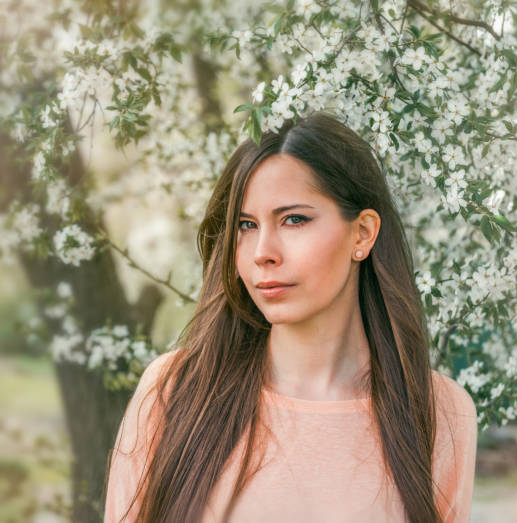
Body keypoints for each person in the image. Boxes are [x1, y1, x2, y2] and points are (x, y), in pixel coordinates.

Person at [103, 111, 478, 523]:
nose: (263, 251)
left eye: (294, 219)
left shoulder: (439, 411)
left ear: (363, 233)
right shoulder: (175, 390)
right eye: (246, 226)